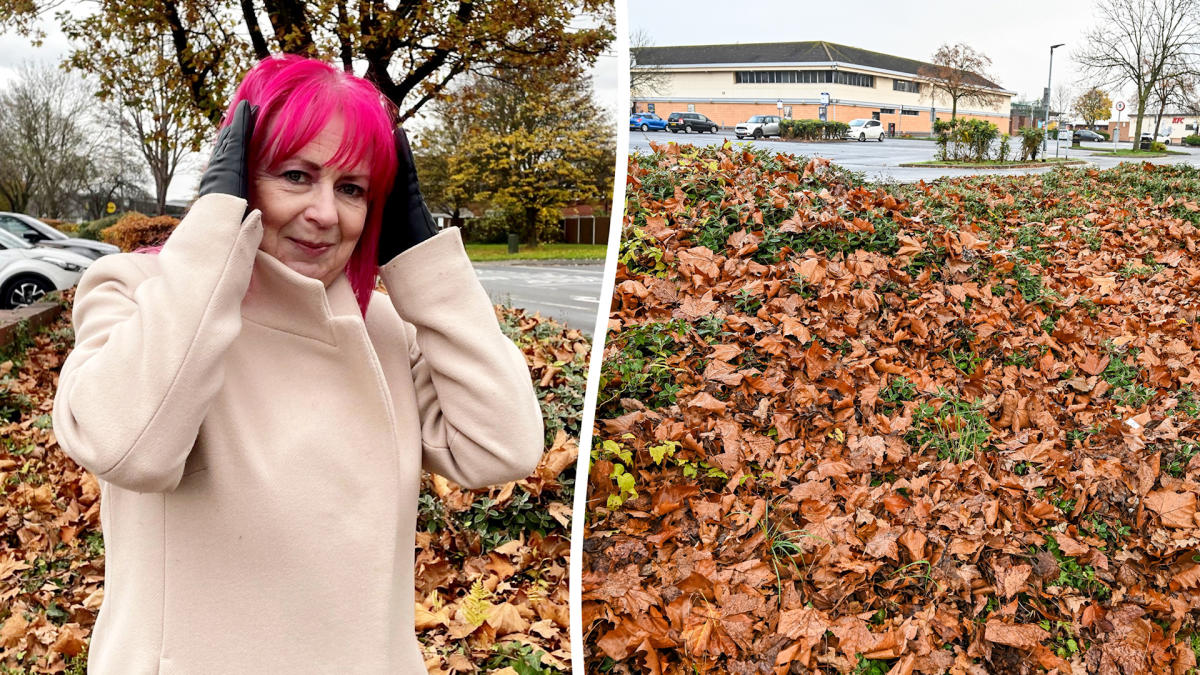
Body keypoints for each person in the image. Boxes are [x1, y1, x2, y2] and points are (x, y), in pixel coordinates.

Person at [51, 54, 544, 673]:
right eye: (294, 175)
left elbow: (503, 448)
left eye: (352, 189)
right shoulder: (137, 293)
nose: (325, 213)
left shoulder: (380, 329)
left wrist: (423, 259)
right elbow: (128, 447)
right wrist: (212, 232)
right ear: (237, 180)